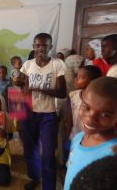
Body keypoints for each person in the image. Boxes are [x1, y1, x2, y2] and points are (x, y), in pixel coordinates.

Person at [20, 33, 67, 190]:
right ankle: (34, 177)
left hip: (48, 115)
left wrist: (41, 88)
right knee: (29, 150)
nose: (41, 48)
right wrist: (21, 88)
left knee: (47, 155)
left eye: (44, 45)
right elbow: (25, 89)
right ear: (33, 47)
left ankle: (49, 187)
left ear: (50, 47)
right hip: (29, 114)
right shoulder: (27, 65)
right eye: (38, 45)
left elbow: (62, 93)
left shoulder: (57, 64)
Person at [64, 77, 117, 190]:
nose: (90, 119)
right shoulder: (78, 138)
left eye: (105, 115)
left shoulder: (113, 154)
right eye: (86, 107)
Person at [65, 65, 102, 161]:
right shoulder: (72, 95)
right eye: (77, 76)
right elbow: (69, 118)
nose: (76, 79)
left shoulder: (98, 100)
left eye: (80, 77)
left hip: (90, 140)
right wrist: (67, 136)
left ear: (92, 82)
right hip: (73, 137)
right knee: (71, 162)